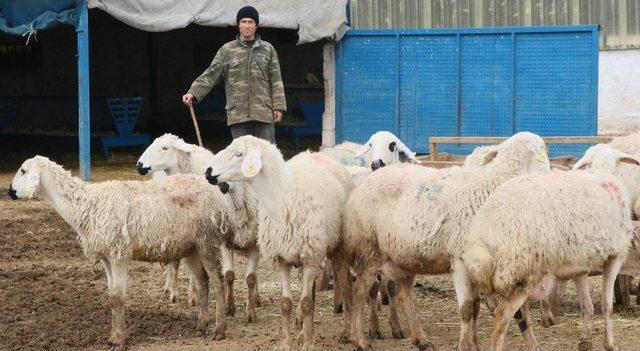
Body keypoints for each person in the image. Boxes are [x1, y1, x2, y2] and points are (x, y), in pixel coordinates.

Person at [182, 5, 286, 144]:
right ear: (238, 25)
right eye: (243, 22)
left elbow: (276, 80)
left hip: (264, 113)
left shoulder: (268, 49)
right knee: (240, 156)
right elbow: (211, 73)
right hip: (238, 114)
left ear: (256, 25)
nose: (247, 26)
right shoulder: (227, 50)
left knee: (267, 154)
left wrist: (278, 106)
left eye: (251, 22)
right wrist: (193, 92)